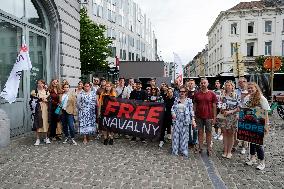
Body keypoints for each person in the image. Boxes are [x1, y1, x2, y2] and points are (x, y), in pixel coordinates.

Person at [245, 82, 270, 170]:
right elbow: (245, 110)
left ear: (256, 88)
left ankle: (262, 162)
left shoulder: (262, 98)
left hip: (259, 123)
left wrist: (266, 125)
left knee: (258, 143)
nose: (250, 90)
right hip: (250, 123)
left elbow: (266, 113)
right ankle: (252, 158)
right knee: (251, 141)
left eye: (252, 88)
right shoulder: (247, 98)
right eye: (249, 88)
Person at [194, 78, 217, 156]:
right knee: (200, 132)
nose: (203, 84)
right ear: (200, 84)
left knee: (209, 133)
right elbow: (195, 105)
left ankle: (208, 148)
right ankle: (200, 148)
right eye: (202, 83)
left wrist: (214, 118)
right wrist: (194, 115)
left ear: (207, 84)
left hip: (209, 116)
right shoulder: (197, 94)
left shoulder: (212, 94)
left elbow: (214, 106)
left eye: (204, 83)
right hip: (199, 116)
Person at [171, 86, 196, 157]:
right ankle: (175, 150)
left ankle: (183, 151)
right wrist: (173, 113)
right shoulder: (176, 99)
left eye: (183, 91)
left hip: (185, 120)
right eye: (180, 91)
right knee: (175, 136)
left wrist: (193, 120)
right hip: (177, 120)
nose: (182, 93)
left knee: (184, 137)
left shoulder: (189, 100)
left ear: (186, 92)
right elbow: (173, 108)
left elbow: (191, 111)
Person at [219, 81, 239, 159]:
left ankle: (229, 151)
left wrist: (230, 111)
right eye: (226, 85)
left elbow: (238, 108)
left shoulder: (236, 96)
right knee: (224, 133)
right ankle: (225, 150)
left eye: (229, 85)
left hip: (232, 117)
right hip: (223, 116)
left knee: (230, 134)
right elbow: (220, 105)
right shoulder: (222, 95)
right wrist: (221, 109)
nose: (227, 87)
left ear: (232, 86)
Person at [30, 80, 50, 146]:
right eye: (38, 83)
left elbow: (50, 101)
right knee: (37, 123)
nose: (40, 84)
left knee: (46, 123)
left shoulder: (47, 92)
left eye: (41, 83)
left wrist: (46, 100)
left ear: (44, 84)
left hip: (45, 109)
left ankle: (46, 137)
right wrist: (39, 100)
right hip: (37, 109)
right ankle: (37, 139)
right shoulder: (34, 92)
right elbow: (31, 101)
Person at [236, 77, 249, 154]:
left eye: (242, 82)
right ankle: (240, 142)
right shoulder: (237, 91)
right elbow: (237, 101)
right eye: (239, 82)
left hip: (247, 112)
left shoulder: (249, 90)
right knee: (239, 129)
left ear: (245, 82)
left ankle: (245, 146)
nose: (241, 83)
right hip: (239, 111)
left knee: (245, 129)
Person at [187, 79, 198, 148]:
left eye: (192, 83)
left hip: (194, 112)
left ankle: (194, 141)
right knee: (188, 127)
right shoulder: (186, 91)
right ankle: (189, 141)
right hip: (187, 112)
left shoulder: (197, 92)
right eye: (189, 83)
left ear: (194, 84)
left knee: (194, 128)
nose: (190, 84)